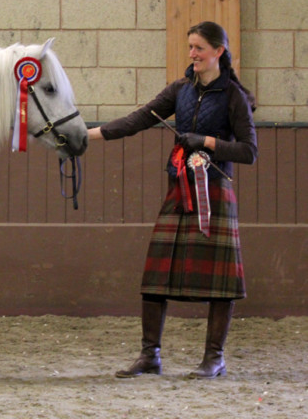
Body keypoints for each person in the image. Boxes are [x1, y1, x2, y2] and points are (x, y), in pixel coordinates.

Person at [87, 21, 258, 379]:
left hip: (213, 192)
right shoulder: (180, 88)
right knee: (155, 277)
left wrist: (208, 142)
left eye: (199, 48)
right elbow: (138, 119)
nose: (192, 54)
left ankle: (214, 358)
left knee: (219, 282)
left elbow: (248, 151)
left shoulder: (233, 97)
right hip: (179, 188)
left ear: (218, 52)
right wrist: (89, 135)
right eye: (191, 47)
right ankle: (150, 356)